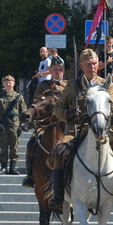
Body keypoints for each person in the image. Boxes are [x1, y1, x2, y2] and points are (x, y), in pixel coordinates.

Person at [51, 49, 113, 215]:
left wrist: (102, 115)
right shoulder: (72, 85)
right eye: (88, 64)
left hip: (101, 128)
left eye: (95, 63)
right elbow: (58, 107)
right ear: (81, 65)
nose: (92, 67)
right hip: (76, 128)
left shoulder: (106, 83)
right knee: (60, 152)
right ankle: (58, 195)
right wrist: (68, 114)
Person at [22, 57, 68, 189]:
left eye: (60, 69)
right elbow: (37, 103)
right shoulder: (43, 86)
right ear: (50, 70)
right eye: (55, 69)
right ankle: (30, 176)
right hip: (45, 124)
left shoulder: (68, 85)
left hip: (65, 125)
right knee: (31, 144)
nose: (58, 72)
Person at [0, 75, 27, 176]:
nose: (8, 84)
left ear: (14, 84)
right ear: (3, 84)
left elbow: (24, 112)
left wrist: (21, 126)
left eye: (10, 82)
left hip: (15, 125)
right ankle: (3, 167)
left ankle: (12, 167)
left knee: (14, 147)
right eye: (6, 82)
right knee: (3, 147)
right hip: (3, 125)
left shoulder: (18, 97)